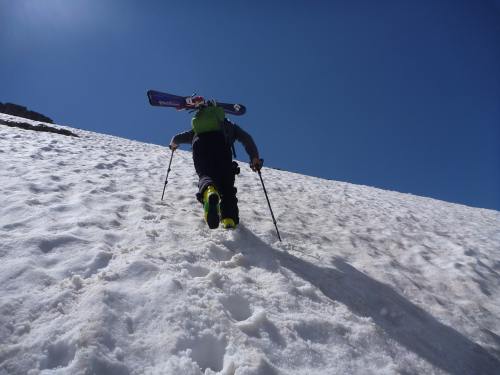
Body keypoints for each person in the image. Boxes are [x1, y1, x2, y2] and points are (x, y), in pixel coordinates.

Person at [169, 101, 262, 229]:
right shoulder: (228, 125)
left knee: (205, 175)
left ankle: (209, 190)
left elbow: (177, 138)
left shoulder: (197, 128)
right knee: (227, 185)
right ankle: (229, 218)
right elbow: (247, 139)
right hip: (221, 147)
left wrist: (173, 144)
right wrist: (254, 158)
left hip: (200, 145)